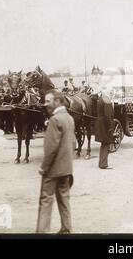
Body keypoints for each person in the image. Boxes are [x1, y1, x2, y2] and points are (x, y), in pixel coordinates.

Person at [37, 89, 75, 233]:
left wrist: (44, 167)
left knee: (46, 201)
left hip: (52, 170)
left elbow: (51, 148)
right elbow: (73, 144)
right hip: (66, 169)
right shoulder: (69, 118)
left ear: (57, 101)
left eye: (48, 101)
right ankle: (67, 229)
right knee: (64, 200)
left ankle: (42, 232)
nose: (45, 104)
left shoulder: (54, 120)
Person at [94, 87, 114, 169]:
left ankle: (101, 163)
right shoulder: (107, 100)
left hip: (100, 123)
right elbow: (107, 116)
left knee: (103, 144)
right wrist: (110, 127)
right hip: (105, 125)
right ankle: (103, 164)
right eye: (110, 91)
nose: (111, 93)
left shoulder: (100, 99)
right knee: (106, 144)